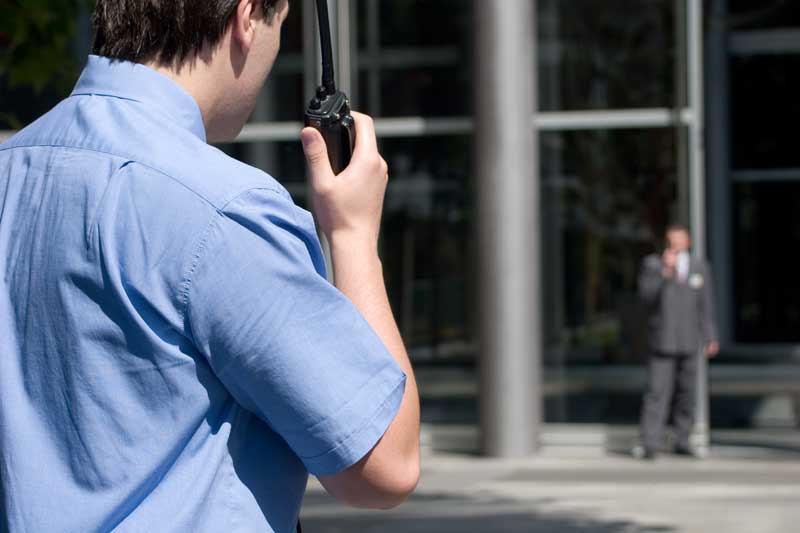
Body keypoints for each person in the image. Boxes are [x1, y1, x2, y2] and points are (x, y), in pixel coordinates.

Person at [0, 1, 420, 531]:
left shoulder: (12, 168)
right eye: (280, 26)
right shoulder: (222, 210)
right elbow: (384, 465)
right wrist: (352, 234)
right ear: (246, 19)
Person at [638, 224, 719, 459]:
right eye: (671, 240)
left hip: (689, 340)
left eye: (680, 240)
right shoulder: (653, 265)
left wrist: (710, 336)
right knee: (657, 392)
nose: (675, 245)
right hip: (662, 341)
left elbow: (706, 305)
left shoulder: (699, 267)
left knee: (687, 393)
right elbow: (646, 297)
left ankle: (683, 440)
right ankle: (650, 442)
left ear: (688, 241)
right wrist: (666, 271)